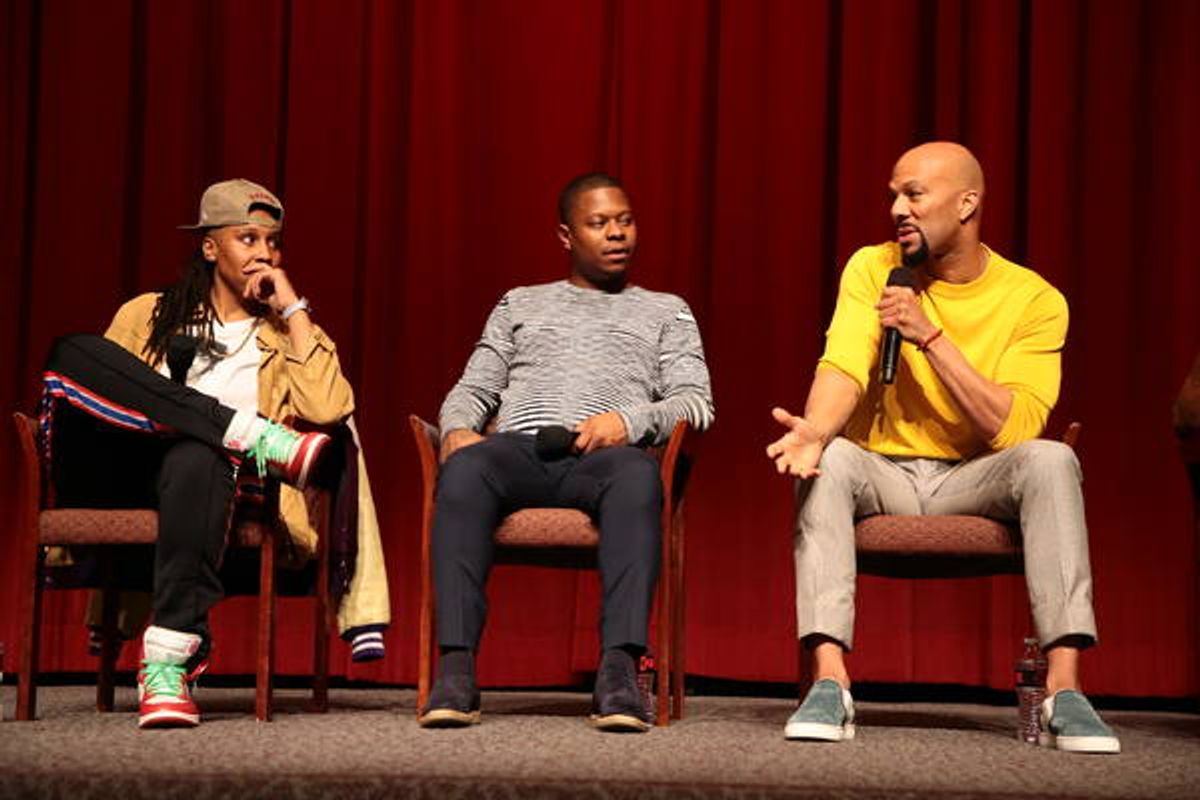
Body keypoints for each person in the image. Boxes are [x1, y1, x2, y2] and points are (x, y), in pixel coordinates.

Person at [766, 142, 1119, 754]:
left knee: (1053, 459)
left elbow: (1012, 429)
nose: (898, 209)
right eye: (893, 196)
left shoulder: (1034, 300)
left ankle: (1066, 690)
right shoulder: (872, 267)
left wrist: (929, 335)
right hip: (884, 471)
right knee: (829, 461)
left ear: (967, 203)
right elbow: (843, 365)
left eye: (914, 194)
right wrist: (816, 432)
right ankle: (829, 682)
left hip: (974, 476)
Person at [40, 179, 389, 728]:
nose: (264, 254)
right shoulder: (148, 314)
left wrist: (294, 308)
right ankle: (246, 432)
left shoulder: (285, 333)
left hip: (214, 481)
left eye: (273, 242)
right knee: (70, 351)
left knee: (197, 454)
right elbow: (100, 393)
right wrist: (232, 427)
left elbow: (329, 410)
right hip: (124, 466)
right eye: (247, 239)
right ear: (209, 248)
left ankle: (167, 667)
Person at [420, 172, 715, 732]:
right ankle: (456, 668)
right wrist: (457, 427)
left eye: (625, 221)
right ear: (566, 235)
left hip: (605, 457)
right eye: (599, 223)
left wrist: (626, 422)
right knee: (461, 470)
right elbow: (474, 387)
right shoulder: (519, 303)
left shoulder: (665, 310)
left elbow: (695, 404)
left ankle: (619, 672)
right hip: (520, 450)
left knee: (638, 479)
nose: (616, 234)